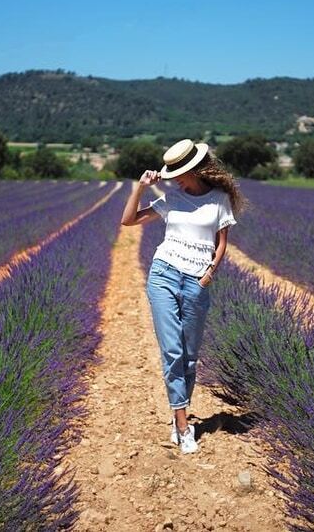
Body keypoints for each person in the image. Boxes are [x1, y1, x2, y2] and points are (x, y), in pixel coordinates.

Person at [120, 138, 247, 454]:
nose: (173, 177)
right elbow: (128, 220)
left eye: (179, 171)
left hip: (196, 282)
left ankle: (179, 410)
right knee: (173, 351)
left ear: (194, 169)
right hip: (163, 275)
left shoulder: (219, 199)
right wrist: (139, 187)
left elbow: (221, 243)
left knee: (189, 357)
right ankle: (181, 423)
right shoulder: (172, 197)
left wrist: (208, 275)